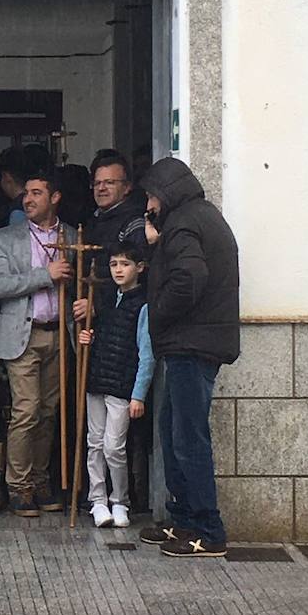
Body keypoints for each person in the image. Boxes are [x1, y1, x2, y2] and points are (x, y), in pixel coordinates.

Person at [138, 156, 240, 559]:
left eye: (150, 195)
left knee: (187, 437)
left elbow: (189, 277)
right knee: (172, 430)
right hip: (196, 341)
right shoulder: (199, 217)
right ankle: (182, 518)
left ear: (165, 193)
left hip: (190, 343)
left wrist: (158, 310)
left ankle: (207, 528)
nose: (148, 203)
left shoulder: (183, 224)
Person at [0, 171, 76, 518]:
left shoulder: (71, 234)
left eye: (37, 193)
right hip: (23, 334)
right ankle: (19, 486)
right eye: (26, 193)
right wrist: (45, 275)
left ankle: (40, 481)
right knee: (26, 410)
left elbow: (84, 279)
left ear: (54, 198)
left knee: (49, 412)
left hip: (59, 332)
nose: (28, 199)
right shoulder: (5, 237)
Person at [75, 241, 154, 529]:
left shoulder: (143, 305)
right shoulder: (106, 300)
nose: (118, 270)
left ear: (139, 268)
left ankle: (120, 500)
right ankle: (97, 500)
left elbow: (146, 354)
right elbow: (102, 339)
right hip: (97, 381)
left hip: (121, 385)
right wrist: (89, 340)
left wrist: (138, 395)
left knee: (114, 447)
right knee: (94, 443)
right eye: (114, 264)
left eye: (125, 264)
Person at [87, 152, 148, 251]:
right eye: (97, 183)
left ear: (127, 187)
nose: (101, 188)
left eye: (109, 182)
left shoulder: (133, 224)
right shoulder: (92, 221)